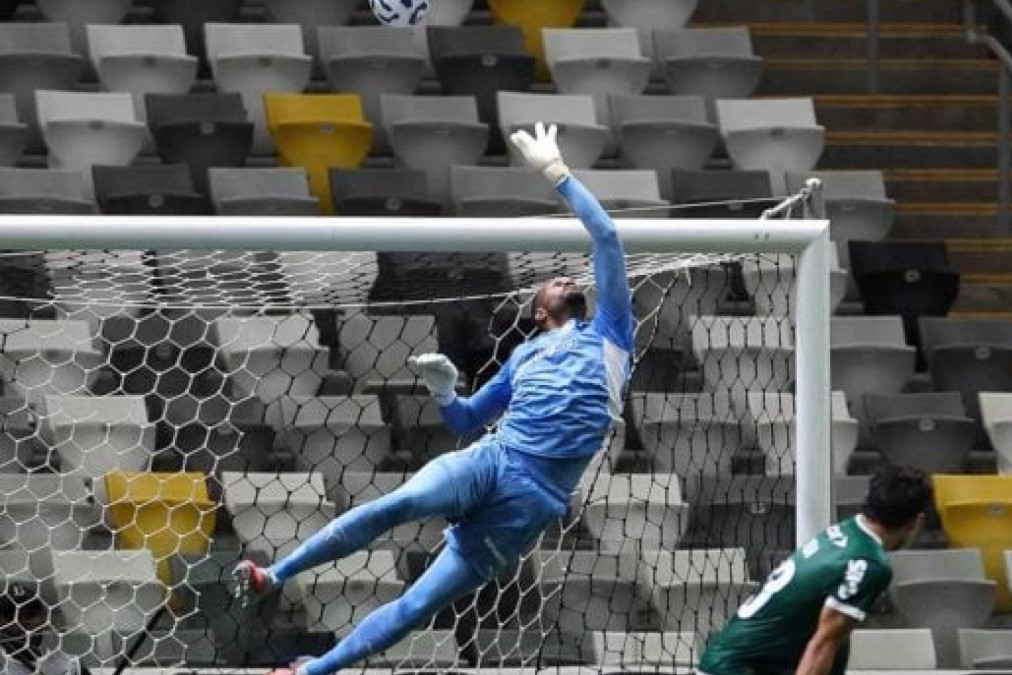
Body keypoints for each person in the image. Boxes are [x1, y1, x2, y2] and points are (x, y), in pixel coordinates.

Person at [232, 122, 635, 675]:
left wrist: (558, 174)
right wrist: (446, 389)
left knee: (419, 604)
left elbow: (607, 238)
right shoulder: (522, 358)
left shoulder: (611, 333)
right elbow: (466, 418)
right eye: (553, 280)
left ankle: (311, 671)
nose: (565, 276)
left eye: (568, 276)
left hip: (532, 502)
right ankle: (273, 574)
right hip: (492, 459)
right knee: (397, 505)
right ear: (538, 312)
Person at [698, 464, 932, 675]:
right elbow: (822, 644)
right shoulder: (869, 564)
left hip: (730, 662)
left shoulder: (844, 532)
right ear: (917, 522)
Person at [0, 581, 90, 675]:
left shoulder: (69, 664)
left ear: (43, 619)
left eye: (31, 615)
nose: (24, 622)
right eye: (11, 616)